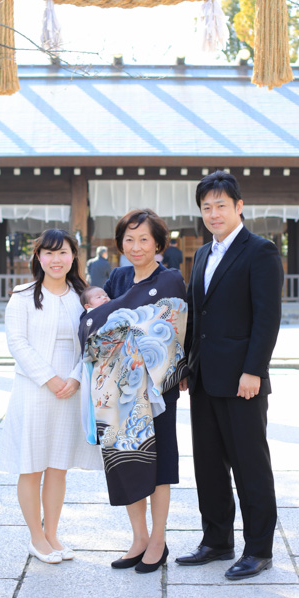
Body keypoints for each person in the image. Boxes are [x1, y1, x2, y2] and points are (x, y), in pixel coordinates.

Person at [176, 171, 283, 580]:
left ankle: (259, 549)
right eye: (207, 207)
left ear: (239, 207)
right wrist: (187, 365)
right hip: (204, 379)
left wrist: (254, 370)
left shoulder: (261, 251)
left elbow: (267, 318)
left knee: (250, 465)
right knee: (208, 464)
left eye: (221, 205)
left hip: (243, 380)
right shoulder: (203, 254)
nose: (214, 213)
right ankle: (217, 541)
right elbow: (195, 315)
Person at [79, 209, 188, 573]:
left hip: (155, 391)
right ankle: (138, 537)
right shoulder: (119, 277)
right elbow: (97, 328)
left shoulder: (169, 279)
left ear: (158, 243)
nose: (136, 246)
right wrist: (119, 319)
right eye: (129, 239)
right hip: (117, 390)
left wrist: (118, 319)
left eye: (144, 239)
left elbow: (164, 331)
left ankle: (158, 540)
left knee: (159, 466)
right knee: (126, 461)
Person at [0, 229, 103, 565]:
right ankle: (36, 537)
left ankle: (53, 532)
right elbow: (18, 343)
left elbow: (93, 341)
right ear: (38, 257)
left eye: (63, 253)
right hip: (34, 390)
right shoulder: (23, 296)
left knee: (58, 467)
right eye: (49, 253)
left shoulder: (81, 297)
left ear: (74, 256)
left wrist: (73, 378)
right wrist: (50, 378)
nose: (56, 260)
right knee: (31, 466)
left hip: (71, 390)